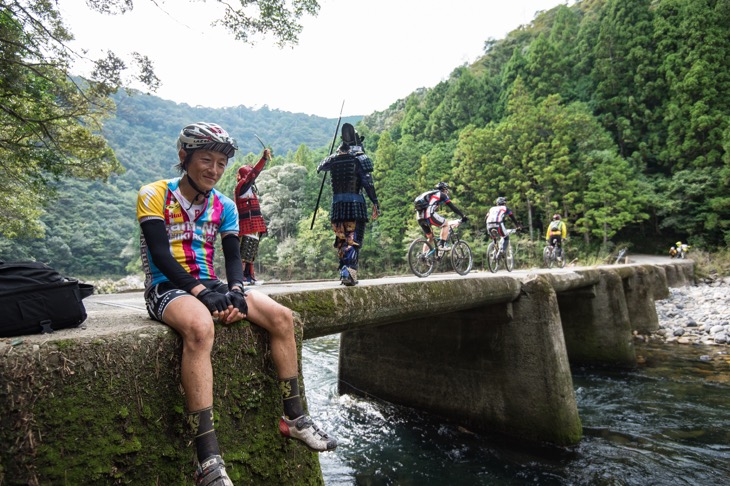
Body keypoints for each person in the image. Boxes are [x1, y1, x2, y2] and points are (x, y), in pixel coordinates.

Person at [137, 122, 336, 485]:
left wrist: (236, 293)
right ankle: (207, 460)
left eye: (220, 163)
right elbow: (160, 255)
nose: (213, 170)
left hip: (208, 283)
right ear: (184, 157)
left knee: (282, 317)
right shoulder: (153, 194)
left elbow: (232, 259)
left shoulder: (224, 205)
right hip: (165, 286)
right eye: (205, 160)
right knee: (200, 327)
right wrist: (203, 295)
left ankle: (293, 417)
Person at [316, 123, 379, 286]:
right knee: (353, 239)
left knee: (342, 240)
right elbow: (367, 183)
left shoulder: (333, 159)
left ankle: (344, 271)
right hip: (355, 206)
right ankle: (349, 273)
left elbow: (321, 166)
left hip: (337, 207)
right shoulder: (359, 158)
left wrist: (334, 154)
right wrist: (375, 202)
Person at [234, 149, 271, 285]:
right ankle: (241, 277)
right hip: (248, 224)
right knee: (246, 250)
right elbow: (253, 174)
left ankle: (249, 277)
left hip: (253, 224)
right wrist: (263, 159)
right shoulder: (242, 186)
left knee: (251, 251)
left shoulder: (248, 188)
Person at [415, 181, 468, 250]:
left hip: (419, 217)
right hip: (428, 215)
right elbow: (453, 207)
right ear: (444, 189)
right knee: (446, 224)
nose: (447, 191)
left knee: (430, 238)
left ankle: (423, 257)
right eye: (446, 190)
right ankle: (441, 245)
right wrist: (462, 216)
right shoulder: (442, 195)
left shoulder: (431, 195)